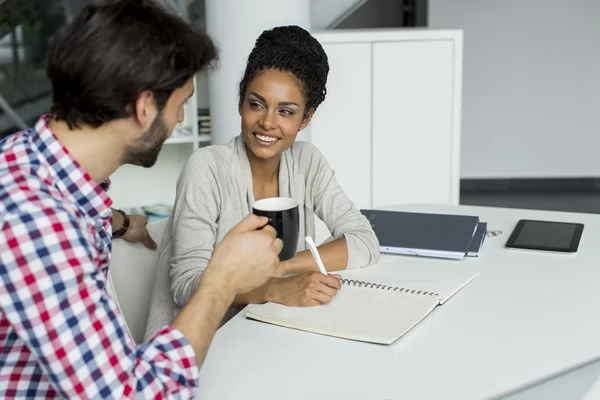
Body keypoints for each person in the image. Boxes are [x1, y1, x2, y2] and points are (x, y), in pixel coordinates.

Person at [0, 1, 283, 398]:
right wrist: (222, 280)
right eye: (182, 102)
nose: (182, 119)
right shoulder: (40, 226)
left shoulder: (23, 157)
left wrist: (117, 222)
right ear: (145, 106)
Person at [144, 25, 380, 339]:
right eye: (256, 104)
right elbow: (187, 287)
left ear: (305, 119)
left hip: (266, 332)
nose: (268, 122)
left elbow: (365, 242)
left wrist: (281, 269)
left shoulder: (307, 162)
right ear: (241, 102)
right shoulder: (207, 167)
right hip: (197, 349)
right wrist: (272, 288)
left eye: (286, 111)